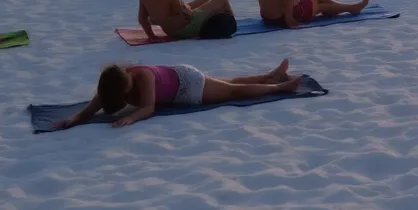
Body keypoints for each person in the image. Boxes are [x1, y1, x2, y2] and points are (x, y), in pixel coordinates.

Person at [51, 59, 301, 130]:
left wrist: (131, 118)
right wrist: (72, 120)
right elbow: (91, 108)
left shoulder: (142, 77)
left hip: (186, 85)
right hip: (180, 76)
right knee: (230, 83)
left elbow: (148, 108)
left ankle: (280, 87)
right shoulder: (111, 86)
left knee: (234, 91)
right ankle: (271, 76)